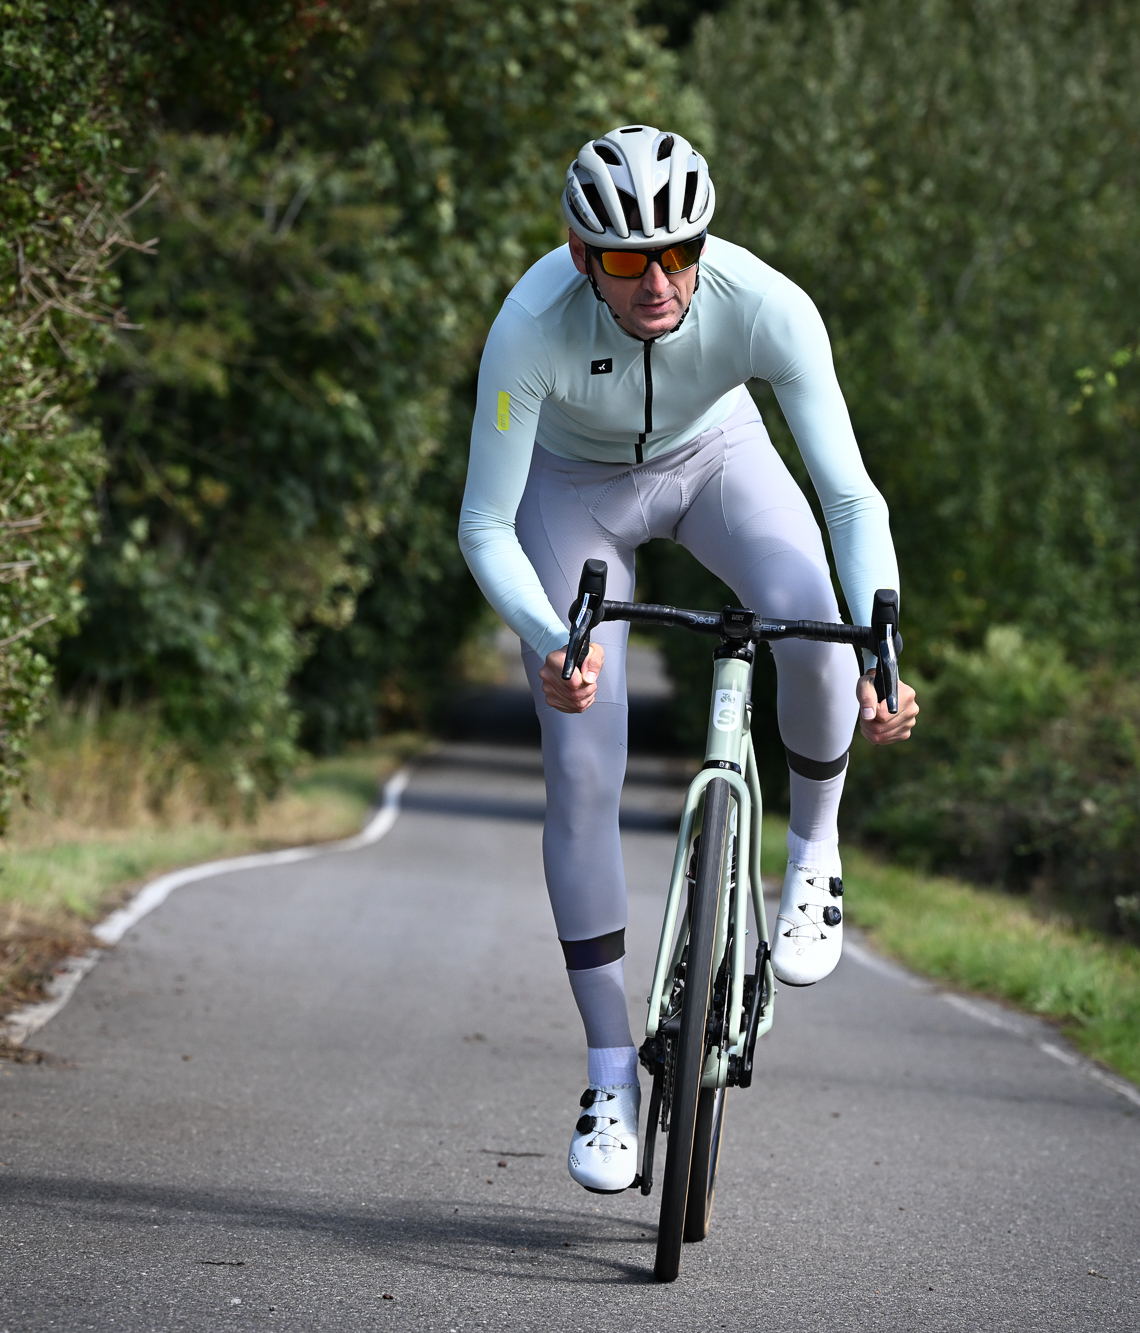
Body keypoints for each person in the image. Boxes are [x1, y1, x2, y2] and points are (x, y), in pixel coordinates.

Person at [457, 124, 919, 1194]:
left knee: (810, 617)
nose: (659, 280)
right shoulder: (528, 327)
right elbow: (484, 525)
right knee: (579, 755)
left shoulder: (763, 303)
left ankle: (811, 853)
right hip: (569, 494)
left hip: (717, 457)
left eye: (679, 251)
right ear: (583, 258)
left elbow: (850, 496)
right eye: (627, 260)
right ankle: (609, 1069)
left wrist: (881, 645)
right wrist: (549, 640)